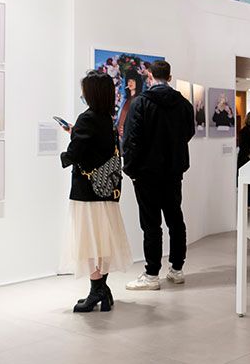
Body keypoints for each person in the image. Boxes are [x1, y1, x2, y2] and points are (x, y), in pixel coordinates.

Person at [60, 70, 133, 312]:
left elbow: (76, 153)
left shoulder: (87, 118)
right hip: (106, 189)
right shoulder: (105, 119)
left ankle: (96, 290)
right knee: (103, 240)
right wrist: (76, 133)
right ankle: (103, 289)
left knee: (89, 241)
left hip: (88, 190)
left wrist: (65, 155)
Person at [122, 60, 195, 290]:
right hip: (173, 171)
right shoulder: (183, 104)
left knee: (151, 223)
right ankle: (177, 269)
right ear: (170, 78)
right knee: (175, 219)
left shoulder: (141, 103)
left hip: (146, 173)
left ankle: (152, 274)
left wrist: (131, 170)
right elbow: (188, 133)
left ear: (149, 76)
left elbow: (132, 140)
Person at [116, 72, 142, 141]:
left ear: (138, 83)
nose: (130, 83)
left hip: (131, 138)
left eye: (133, 81)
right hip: (120, 137)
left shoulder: (139, 100)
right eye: (129, 81)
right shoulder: (125, 100)